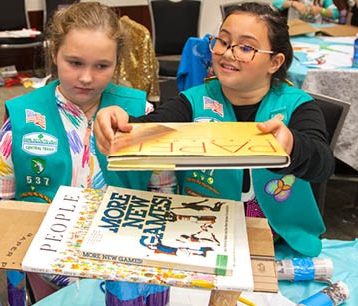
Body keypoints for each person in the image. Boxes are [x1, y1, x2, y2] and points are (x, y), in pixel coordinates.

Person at [0, 2, 173, 306]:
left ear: (118, 61)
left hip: (126, 267)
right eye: (74, 63)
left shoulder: (141, 112)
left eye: (102, 66)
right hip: (47, 269)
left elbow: (163, 191)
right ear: (54, 53)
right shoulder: (23, 116)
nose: (87, 77)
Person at [94, 2, 335, 258]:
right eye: (222, 41)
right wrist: (118, 123)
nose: (228, 54)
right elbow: (150, 129)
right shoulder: (193, 101)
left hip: (279, 246)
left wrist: (292, 145)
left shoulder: (297, 106)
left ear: (274, 62)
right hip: (201, 237)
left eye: (245, 47)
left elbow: (323, 165)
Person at [273, 0, 340, 23]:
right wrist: (294, 4)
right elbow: (275, 3)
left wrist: (320, 10)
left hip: (314, 33)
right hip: (294, 31)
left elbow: (335, 14)